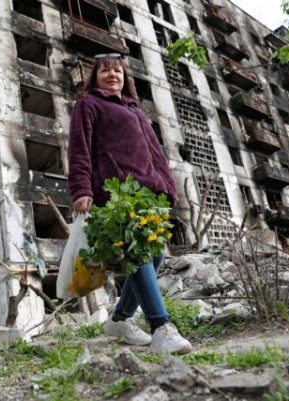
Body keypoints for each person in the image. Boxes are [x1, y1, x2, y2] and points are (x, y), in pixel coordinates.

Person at [67, 53, 192, 354]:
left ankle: (120, 318)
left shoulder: (135, 110)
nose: (113, 75)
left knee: (155, 257)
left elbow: (156, 152)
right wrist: (81, 188)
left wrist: (168, 186)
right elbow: (79, 149)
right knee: (138, 253)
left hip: (149, 191)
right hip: (116, 193)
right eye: (106, 71)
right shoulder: (89, 104)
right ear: (95, 76)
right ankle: (161, 327)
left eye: (118, 70)